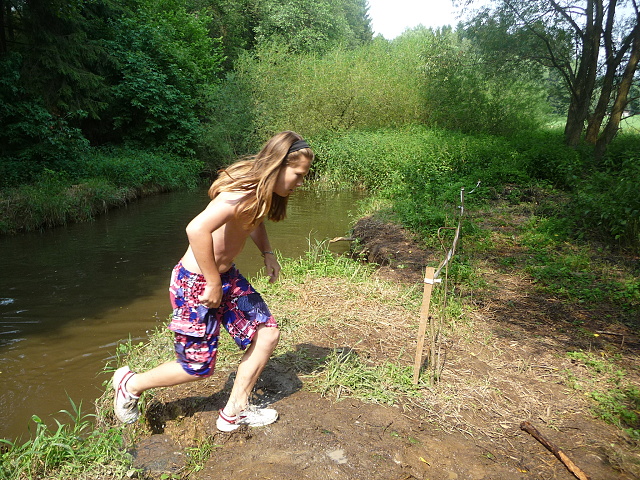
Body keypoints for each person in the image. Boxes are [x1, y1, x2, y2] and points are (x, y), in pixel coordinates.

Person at [112, 131, 313, 432]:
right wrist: (212, 282)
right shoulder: (242, 192)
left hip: (224, 276)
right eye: (298, 175)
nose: (300, 182)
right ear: (279, 165)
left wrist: (268, 253)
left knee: (267, 334)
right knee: (197, 368)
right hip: (196, 283)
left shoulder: (261, 193)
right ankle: (130, 384)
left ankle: (235, 411)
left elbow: (253, 221)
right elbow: (196, 230)